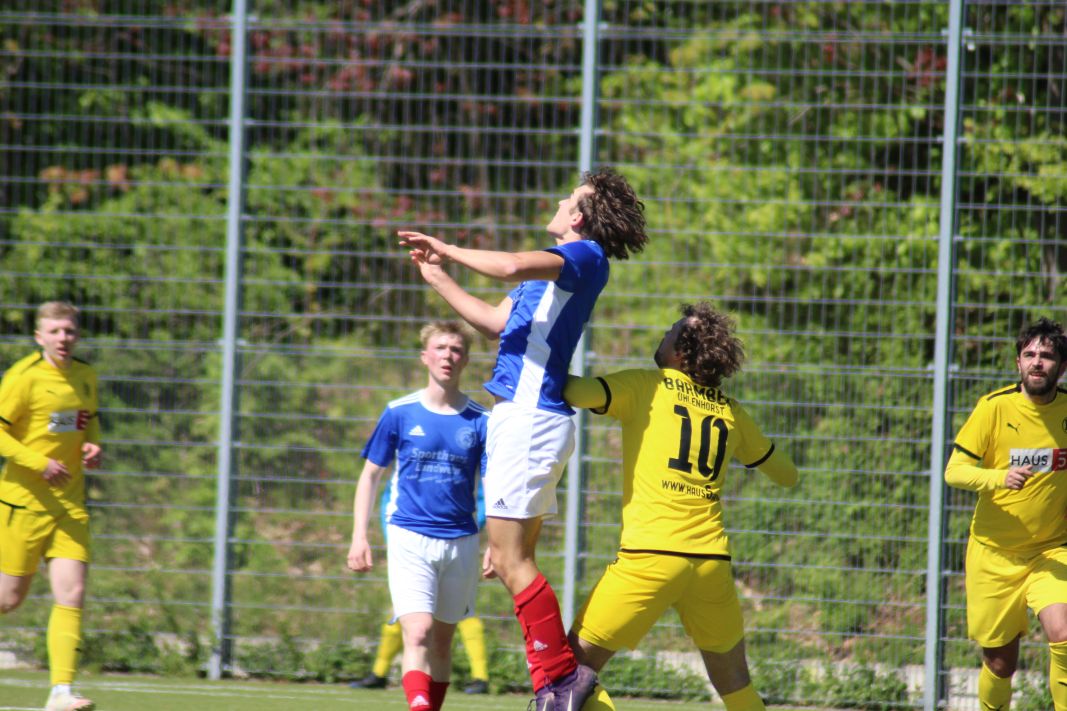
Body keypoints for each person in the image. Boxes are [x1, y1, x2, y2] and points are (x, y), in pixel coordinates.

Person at [399, 167, 648, 711]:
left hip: (531, 419)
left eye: (569, 198)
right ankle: (556, 686)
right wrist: (437, 275)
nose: (559, 201)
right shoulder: (549, 272)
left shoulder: (584, 256)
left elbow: (508, 263)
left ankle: (560, 681)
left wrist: (449, 247)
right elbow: (495, 323)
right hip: (524, 420)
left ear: (579, 216)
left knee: (513, 563)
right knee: (514, 558)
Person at [562, 302, 799, 711]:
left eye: (670, 330)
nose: (663, 334)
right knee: (735, 684)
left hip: (651, 556)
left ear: (682, 352)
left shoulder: (648, 385)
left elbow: (573, 392)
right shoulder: (731, 411)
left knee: (568, 669)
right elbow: (787, 475)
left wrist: (531, 358)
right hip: (709, 563)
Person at [347, 321, 489, 711]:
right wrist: (359, 535)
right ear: (425, 356)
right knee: (418, 632)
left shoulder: (481, 421)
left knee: (442, 642)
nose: (448, 356)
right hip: (409, 535)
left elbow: (494, 489)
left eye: (456, 350)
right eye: (440, 348)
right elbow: (370, 476)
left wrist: (496, 543)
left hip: (461, 540)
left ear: (466, 360)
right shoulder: (399, 413)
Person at [945, 317, 1067, 711]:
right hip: (994, 554)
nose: (1037, 362)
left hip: (1051, 551)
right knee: (1000, 664)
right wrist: (999, 477)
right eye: (1029, 354)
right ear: (1018, 363)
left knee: (1064, 635)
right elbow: (954, 472)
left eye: (1047, 355)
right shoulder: (994, 407)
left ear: (1062, 366)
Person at [0, 301, 102, 711]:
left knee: (72, 593)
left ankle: (61, 692)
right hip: (23, 505)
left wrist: (93, 445)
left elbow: (85, 421)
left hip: (69, 505)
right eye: (55, 331)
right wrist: (38, 463)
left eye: (70, 331)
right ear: (39, 336)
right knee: (8, 600)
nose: (63, 338)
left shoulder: (85, 375)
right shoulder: (23, 378)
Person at [352, 480, 490, 694]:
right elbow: (388, 498)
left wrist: (468, 525)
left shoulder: (470, 468)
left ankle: (480, 677)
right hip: (411, 544)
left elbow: (484, 498)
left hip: (457, 541)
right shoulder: (406, 468)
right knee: (409, 619)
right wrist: (396, 535)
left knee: (460, 617)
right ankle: (379, 673)